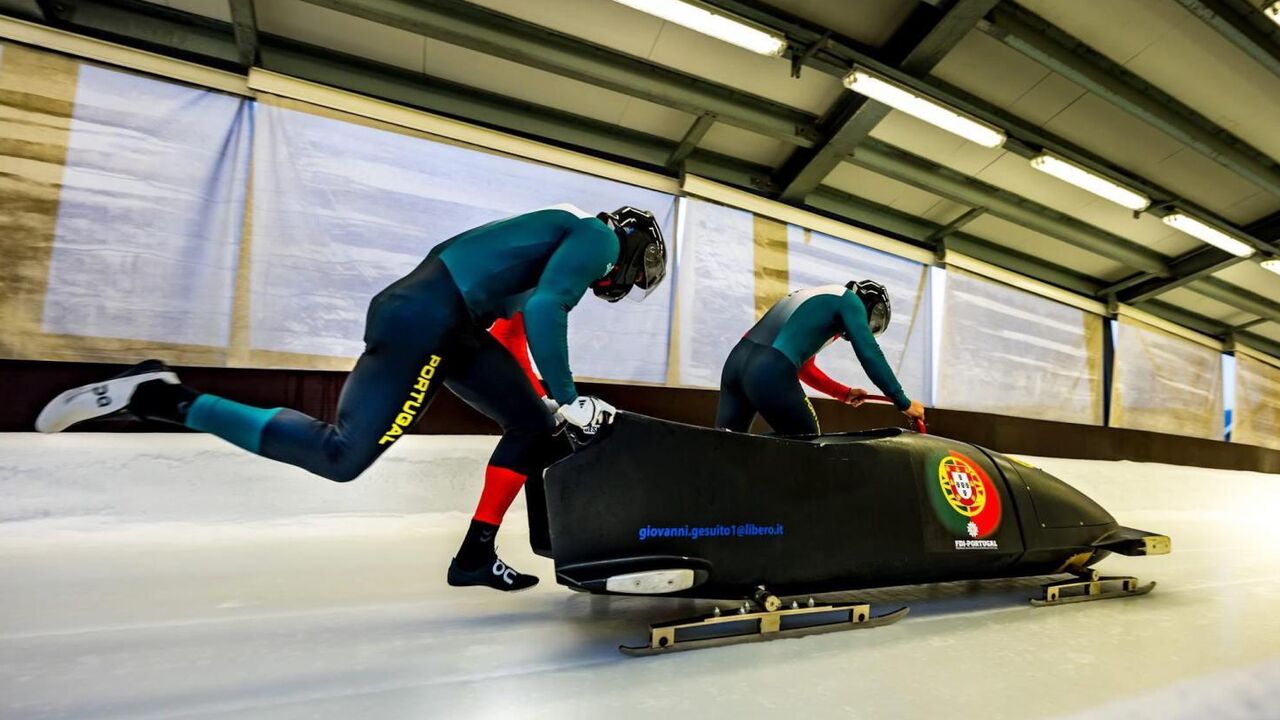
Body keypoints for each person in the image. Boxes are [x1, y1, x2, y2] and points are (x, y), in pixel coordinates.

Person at [35, 204, 667, 592]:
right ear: (632, 246)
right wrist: (569, 394)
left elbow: (513, 334)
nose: (622, 282)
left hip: (457, 324)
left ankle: (475, 556)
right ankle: (162, 397)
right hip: (428, 317)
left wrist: (551, 405)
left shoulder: (547, 253)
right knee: (341, 457)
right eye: (635, 275)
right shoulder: (597, 237)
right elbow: (553, 306)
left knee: (533, 427)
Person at [716, 280, 925, 435]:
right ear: (869, 305)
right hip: (769, 369)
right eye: (874, 323)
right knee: (808, 444)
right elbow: (869, 352)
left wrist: (843, 393)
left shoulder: (816, 297)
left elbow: (804, 368)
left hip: (736, 362)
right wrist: (903, 402)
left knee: (727, 446)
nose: (868, 328)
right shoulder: (850, 302)